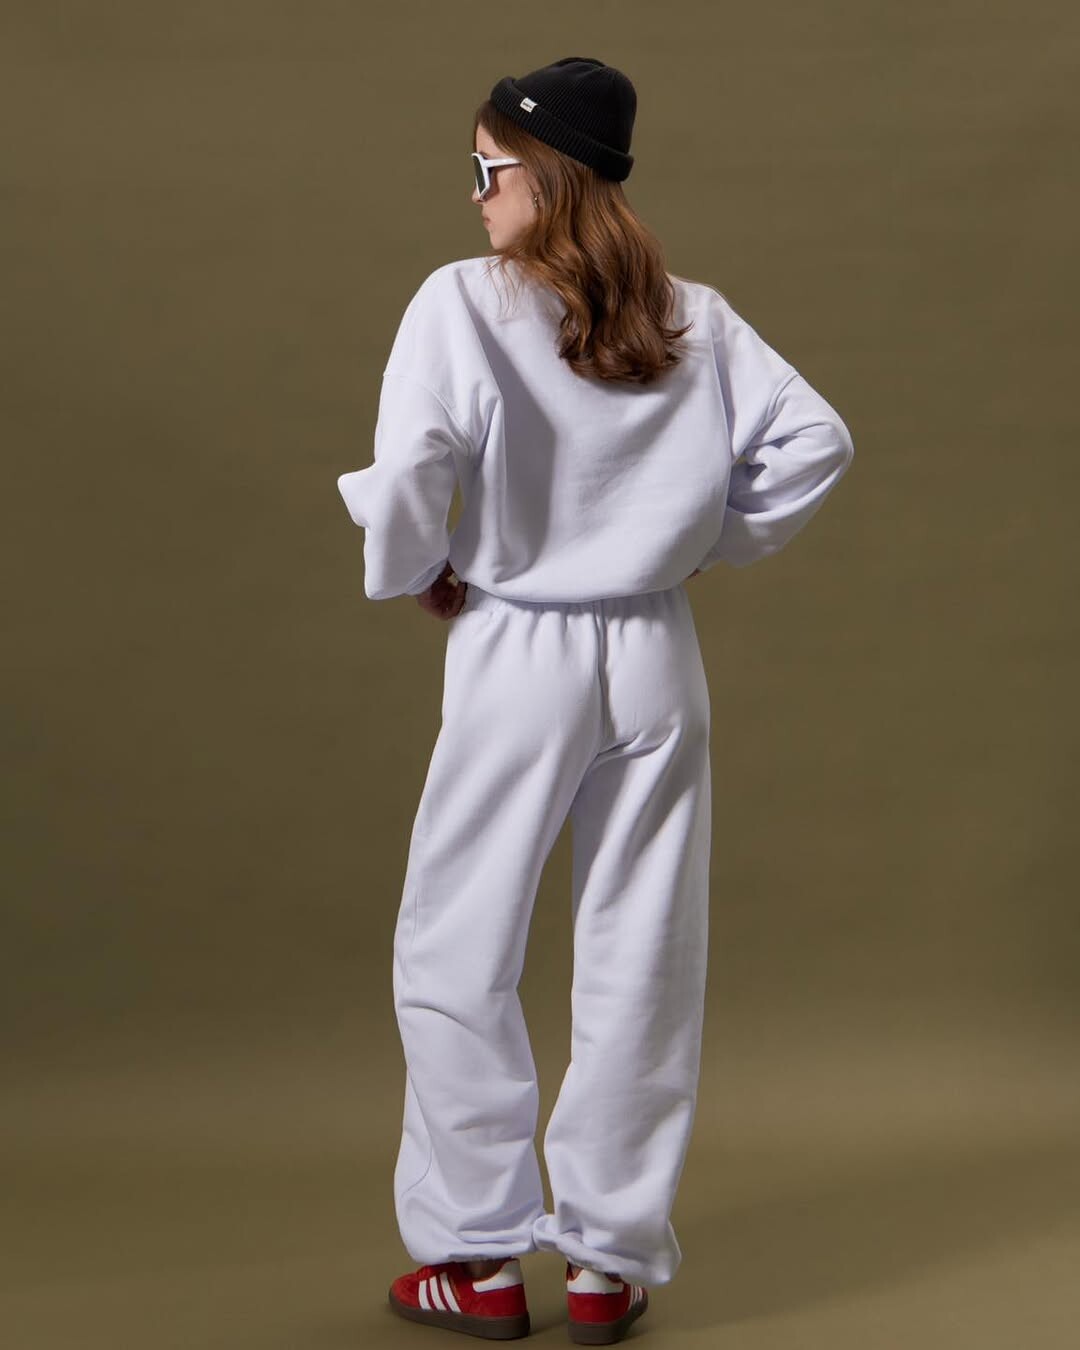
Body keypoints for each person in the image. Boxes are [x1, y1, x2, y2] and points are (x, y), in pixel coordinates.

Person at [336, 56, 855, 1344]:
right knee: (644, 949)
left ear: (547, 173)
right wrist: (695, 543)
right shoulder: (690, 313)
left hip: (518, 646)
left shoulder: (462, 302)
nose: (474, 194)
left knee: (459, 946)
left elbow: (415, 463)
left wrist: (418, 568)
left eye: (487, 169)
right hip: (656, 653)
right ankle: (608, 1263)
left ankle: (476, 1258)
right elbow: (818, 442)